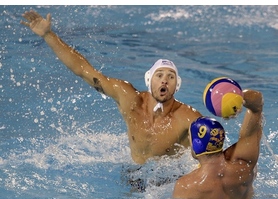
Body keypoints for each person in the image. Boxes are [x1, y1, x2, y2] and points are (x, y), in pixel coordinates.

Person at [20, 10, 202, 165]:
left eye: (170, 77)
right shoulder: (129, 98)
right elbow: (84, 71)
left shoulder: (188, 118)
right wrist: (48, 35)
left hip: (167, 182)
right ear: (149, 80)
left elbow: (212, 152)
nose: (164, 81)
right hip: (133, 175)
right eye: (159, 75)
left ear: (176, 85)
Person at [172, 89, 264, 199]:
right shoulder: (243, 163)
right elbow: (257, 108)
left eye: (189, 137)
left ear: (197, 143)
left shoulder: (186, 186)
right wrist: (238, 97)